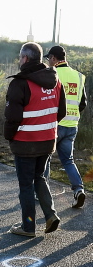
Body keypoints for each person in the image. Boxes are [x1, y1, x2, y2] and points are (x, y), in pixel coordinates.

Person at [4, 42, 66, 237]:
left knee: (26, 185)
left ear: (25, 58)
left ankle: (28, 227)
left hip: (25, 143)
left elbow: (12, 117)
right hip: (47, 141)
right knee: (39, 178)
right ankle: (51, 215)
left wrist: (9, 136)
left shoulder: (20, 83)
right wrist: (45, 126)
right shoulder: (56, 81)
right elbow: (61, 112)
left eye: (20, 57)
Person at [44, 45, 88, 208]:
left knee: (45, 158)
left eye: (49, 58)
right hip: (72, 124)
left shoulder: (52, 74)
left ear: (54, 59)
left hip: (54, 125)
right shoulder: (79, 76)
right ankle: (78, 190)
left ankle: (41, 193)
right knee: (68, 160)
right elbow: (82, 103)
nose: (48, 62)